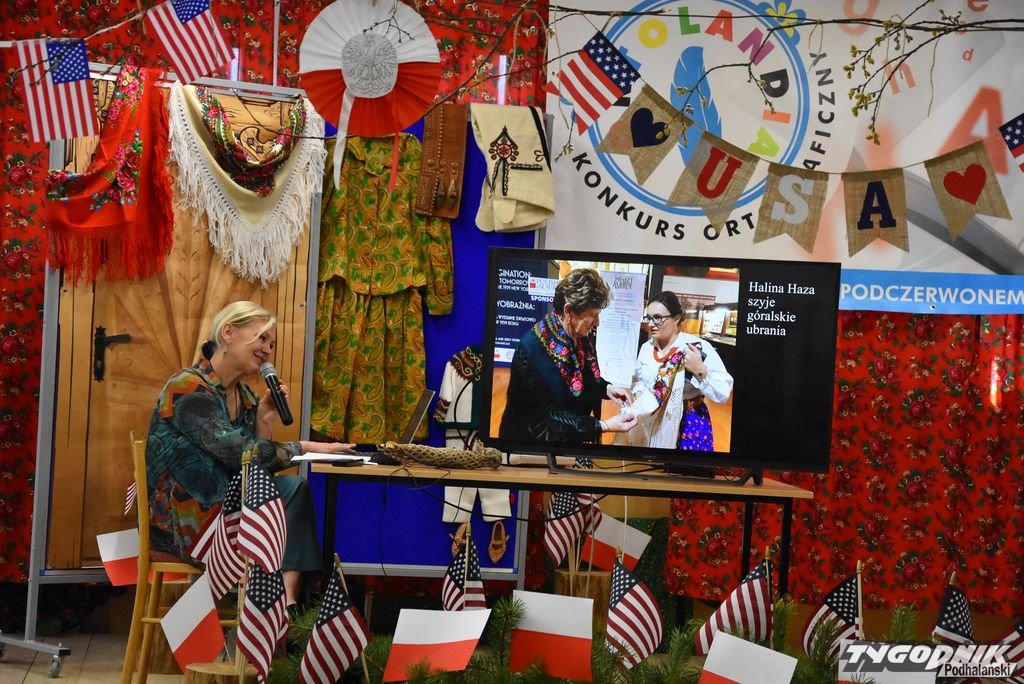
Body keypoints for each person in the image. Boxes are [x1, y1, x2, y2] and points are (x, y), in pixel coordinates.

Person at [145, 301, 355, 608]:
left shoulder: (245, 396)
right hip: (186, 524)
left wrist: (265, 422)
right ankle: (279, 606)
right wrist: (306, 448)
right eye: (261, 338)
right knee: (290, 492)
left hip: (229, 512)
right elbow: (239, 452)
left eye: (272, 344)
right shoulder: (186, 388)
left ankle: (283, 605)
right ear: (228, 333)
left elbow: (255, 473)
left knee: (291, 490)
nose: (268, 350)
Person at [499, 268, 636, 446]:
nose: (597, 323)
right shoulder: (533, 349)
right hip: (530, 446)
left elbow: (582, 378)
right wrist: (604, 426)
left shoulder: (580, 337)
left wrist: (607, 389)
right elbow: (550, 418)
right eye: (593, 315)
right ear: (569, 311)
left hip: (569, 441)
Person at [617, 291, 733, 450]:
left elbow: (723, 393)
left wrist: (700, 371)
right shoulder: (646, 348)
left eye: (658, 318)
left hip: (688, 424)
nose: (651, 324)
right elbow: (638, 379)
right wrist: (641, 394)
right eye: (649, 318)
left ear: (676, 318)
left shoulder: (695, 347)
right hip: (650, 420)